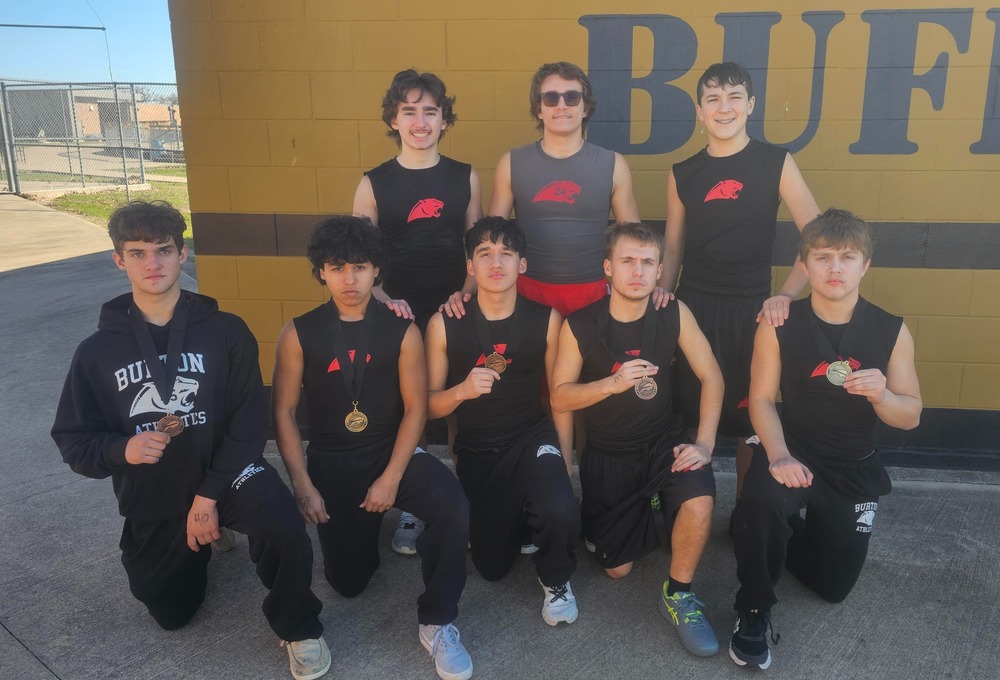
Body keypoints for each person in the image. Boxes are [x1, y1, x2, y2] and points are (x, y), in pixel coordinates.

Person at [51, 201, 330, 680]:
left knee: (282, 525)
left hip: (227, 472)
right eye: (137, 253)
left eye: (163, 250)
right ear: (119, 260)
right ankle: (200, 539)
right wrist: (121, 449)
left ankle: (300, 626)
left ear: (184, 254)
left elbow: (248, 421)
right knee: (171, 614)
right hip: (156, 488)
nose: (152, 264)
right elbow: (73, 440)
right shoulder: (96, 353)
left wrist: (208, 497)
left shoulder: (225, 331)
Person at [272, 216, 473, 680]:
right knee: (348, 584)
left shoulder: (402, 330)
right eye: (337, 267)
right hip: (333, 459)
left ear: (376, 271)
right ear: (321, 271)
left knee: (450, 505)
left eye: (360, 267)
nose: (349, 278)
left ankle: (438, 620)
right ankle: (365, 530)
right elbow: (282, 412)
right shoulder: (299, 332)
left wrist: (391, 477)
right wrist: (303, 485)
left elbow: (415, 410)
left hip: (389, 450)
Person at [729, 209, 921, 670]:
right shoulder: (778, 323)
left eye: (847, 257)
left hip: (854, 462)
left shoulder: (891, 328)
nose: (835, 268)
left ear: (865, 266)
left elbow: (911, 415)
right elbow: (760, 400)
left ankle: (788, 533)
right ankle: (752, 609)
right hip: (795, 451)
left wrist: (882, 396)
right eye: (823, 257)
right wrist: (776, 456)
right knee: (759, 501)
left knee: (833, 588)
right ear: (806, 263)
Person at [551, 222, 724, 658]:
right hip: (609, 454)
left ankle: (679, 593)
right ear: (608, 267)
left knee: (700, 498)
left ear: (660, 270)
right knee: (617, 570)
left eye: (648, 263)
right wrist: (610, 384)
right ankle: (640, 510)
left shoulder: (673, 312)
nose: (637, 271)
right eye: (627, 261)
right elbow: (560, 395)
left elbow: (712, 376)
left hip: (663, 441)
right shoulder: (580, 325)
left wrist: (703, 444)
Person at [662, 62, 821, 495]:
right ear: (699, 111)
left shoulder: (776, 162)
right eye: (712, 99)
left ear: (750, 105)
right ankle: (686, 500)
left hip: (753, 306)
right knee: (689, 412)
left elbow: (818, 239)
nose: (724, 107)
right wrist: (662, 297)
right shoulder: (682, 173)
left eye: (734, 97)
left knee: (752, 414)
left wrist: (787, 294)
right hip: (693, 305)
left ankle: (751, 511)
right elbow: (673, 250)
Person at [425, 216, 580, 626]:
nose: (497, 263)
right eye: (485, 254)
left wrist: (564, 461)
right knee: (492, 567)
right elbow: (425, 406)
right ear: (470, 267)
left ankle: (557, 579)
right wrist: (460, 391)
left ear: (522, 265)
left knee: (560, 506)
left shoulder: (546, 318)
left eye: (507, 254)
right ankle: (519, 523)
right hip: (479, 448)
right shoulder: (443, 324)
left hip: (531, 436)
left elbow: (560, 398)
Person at [353, 68, 482, 555]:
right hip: (397, 310)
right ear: (394, 118)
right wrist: (383, 296)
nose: (420, 121)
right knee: (409, 408)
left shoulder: (464, 175)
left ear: (445, 120)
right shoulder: (373, 183)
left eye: (430, 111)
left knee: (458, 407)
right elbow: (358, 256)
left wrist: (466, 291)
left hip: (454, 308)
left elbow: (478, 248)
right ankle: (413, 503)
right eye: (410, 111)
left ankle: (461, 494)